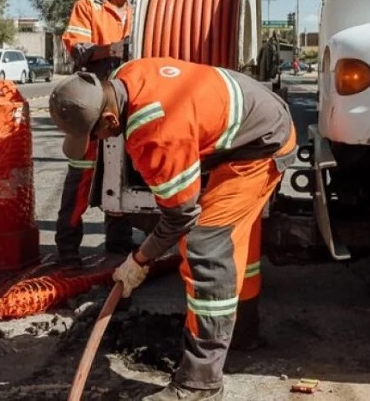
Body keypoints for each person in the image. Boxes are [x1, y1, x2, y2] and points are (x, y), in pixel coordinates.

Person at [48, 57, 296, 401]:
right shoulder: (122, 79)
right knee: (233, 241)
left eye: (96, 136)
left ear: (108, 118)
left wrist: (139, 259)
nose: (97, 143)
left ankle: (201, 384)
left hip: (259, 145)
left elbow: (181, 216)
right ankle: (243, 333)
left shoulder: (155, 132)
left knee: (205, 249)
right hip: (251, 123)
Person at [55, 0, 141, 266]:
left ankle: (118, 244)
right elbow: (78, 51)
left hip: (126, 106)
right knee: (81, 176)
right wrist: (118, 48)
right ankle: (67, 250)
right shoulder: (88, 7)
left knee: (122, 174)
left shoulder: (138, 11)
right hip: (93, 106)